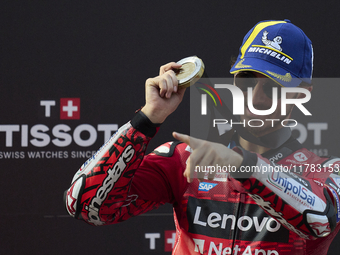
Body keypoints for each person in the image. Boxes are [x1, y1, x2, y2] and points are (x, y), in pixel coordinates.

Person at [64, 20, 340, 255]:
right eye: (246, 80)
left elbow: (321, 220)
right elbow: (85, 206)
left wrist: (241, 164)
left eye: (272, 87)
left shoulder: (325, 172)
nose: (255, 98)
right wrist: (147, 118)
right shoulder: (184, 159)